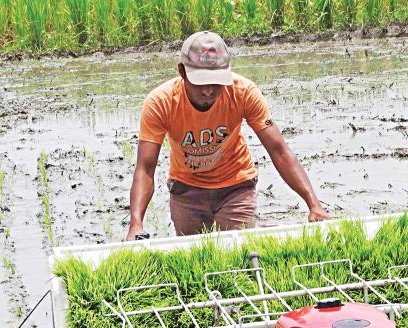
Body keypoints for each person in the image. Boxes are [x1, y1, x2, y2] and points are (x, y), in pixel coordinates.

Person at [125, 31, 329, 240]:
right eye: (201, 82)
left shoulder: (243, 92)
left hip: (236, 185)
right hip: (187, 189)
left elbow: (279, 151)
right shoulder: (161, 102)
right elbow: (145, 167)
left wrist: (313, 205)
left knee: (239, 254)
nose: (208, 91)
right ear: (182, 71)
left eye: (216, 82)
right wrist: (136, 223)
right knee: (193, 259)